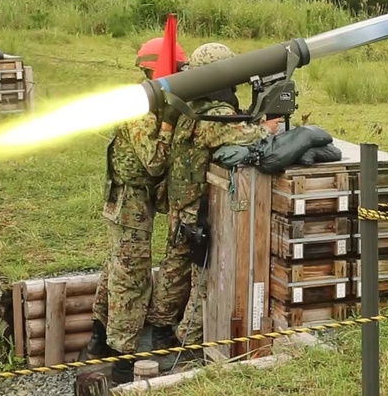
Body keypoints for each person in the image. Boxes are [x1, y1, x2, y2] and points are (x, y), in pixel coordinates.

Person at [145, 42, 282, 368]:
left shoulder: (187, 106)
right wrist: (268, 127)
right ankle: (188, 340)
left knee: (174, 266)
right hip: (197, 207)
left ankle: (160, 326)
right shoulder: (213, 115)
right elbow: (247, 137)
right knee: (202, 273)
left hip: (180, 201)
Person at [78, 37, 187, 386]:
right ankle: (122, 360)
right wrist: (168, 124)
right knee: (132, 278)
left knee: (117, 269)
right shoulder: (141, 109)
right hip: (130, 203)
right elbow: (154, 162)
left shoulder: (146, 99)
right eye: (179, 68)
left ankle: (99, 340)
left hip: (131, 200)